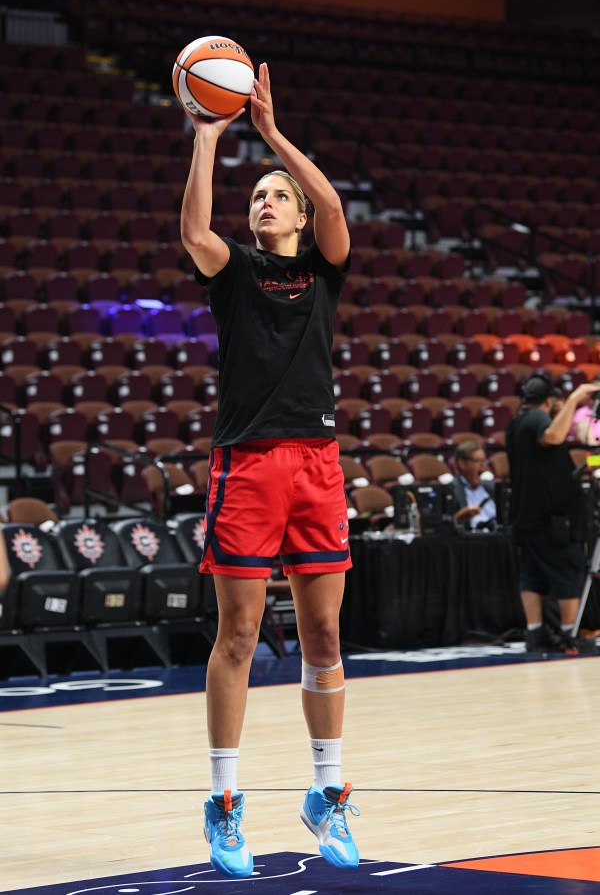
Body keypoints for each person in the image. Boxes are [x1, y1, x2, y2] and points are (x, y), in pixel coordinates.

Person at [180, 63, 359, 879]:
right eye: (256, 196)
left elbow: (332, 208)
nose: (264, 202)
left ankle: (328, 793)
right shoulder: (237, 273)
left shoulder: (324, 266)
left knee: (323, 635)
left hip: (317, 462)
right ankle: (223, 805)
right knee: (241, 635)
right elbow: (193, 234)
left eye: (272, 193)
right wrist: (210, 136)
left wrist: (277, 134)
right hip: (249, 465)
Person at [506, 374, 600, 654]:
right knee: (567, 569)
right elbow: (553, 436)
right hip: (551, 517)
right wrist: (574, 400)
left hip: (527, 514)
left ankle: (536, 633)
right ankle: (570, 634)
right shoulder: (537, 419)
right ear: (549, 401)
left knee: (532, 575)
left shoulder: (516, 423)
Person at [448, 440, 496, 530]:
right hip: (471, 540)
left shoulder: (492, 487)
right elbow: (443, 528)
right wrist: (458, 519)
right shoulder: (451, 490)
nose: (483, 466)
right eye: (478, 461)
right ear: (462, 464)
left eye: (484, 461)